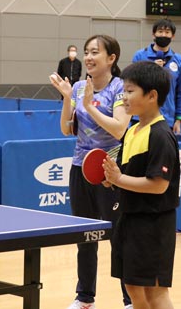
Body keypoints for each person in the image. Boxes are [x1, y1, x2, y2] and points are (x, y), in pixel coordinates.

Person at [49, 35, 132, 309]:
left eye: (95, 52)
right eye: (86, 52)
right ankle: (85, 298)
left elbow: (120, 128)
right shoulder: (80, 86)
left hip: (110, 171)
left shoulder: (121, 89)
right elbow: (66, 129)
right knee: (85, 236)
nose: (88, 57)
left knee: (118, 236)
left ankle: (130, 299)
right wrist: (67, 98)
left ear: (111, 58)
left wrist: (88, 107)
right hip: (79, 169)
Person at [102, 61, 180, 309]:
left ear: (152, 95)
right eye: (123, 90)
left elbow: (158, 185)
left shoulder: (160, 135)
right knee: (134, 288)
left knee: (155, 292)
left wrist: (119, 179)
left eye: (130, 91)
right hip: (129, 218)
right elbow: (127, 175)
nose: (123, 97)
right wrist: (112, 179)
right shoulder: (134, 131)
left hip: (153, 225)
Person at [132, 18, 181, 134]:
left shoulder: (179, 60)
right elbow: (131, 85)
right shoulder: (140, 56)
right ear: (154, 35)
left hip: (166, 119)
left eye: (167, 32)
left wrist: (179, 119)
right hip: (140, 117)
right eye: (160, 31)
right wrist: (151, 70)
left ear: (173, 36)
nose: (163, 35)